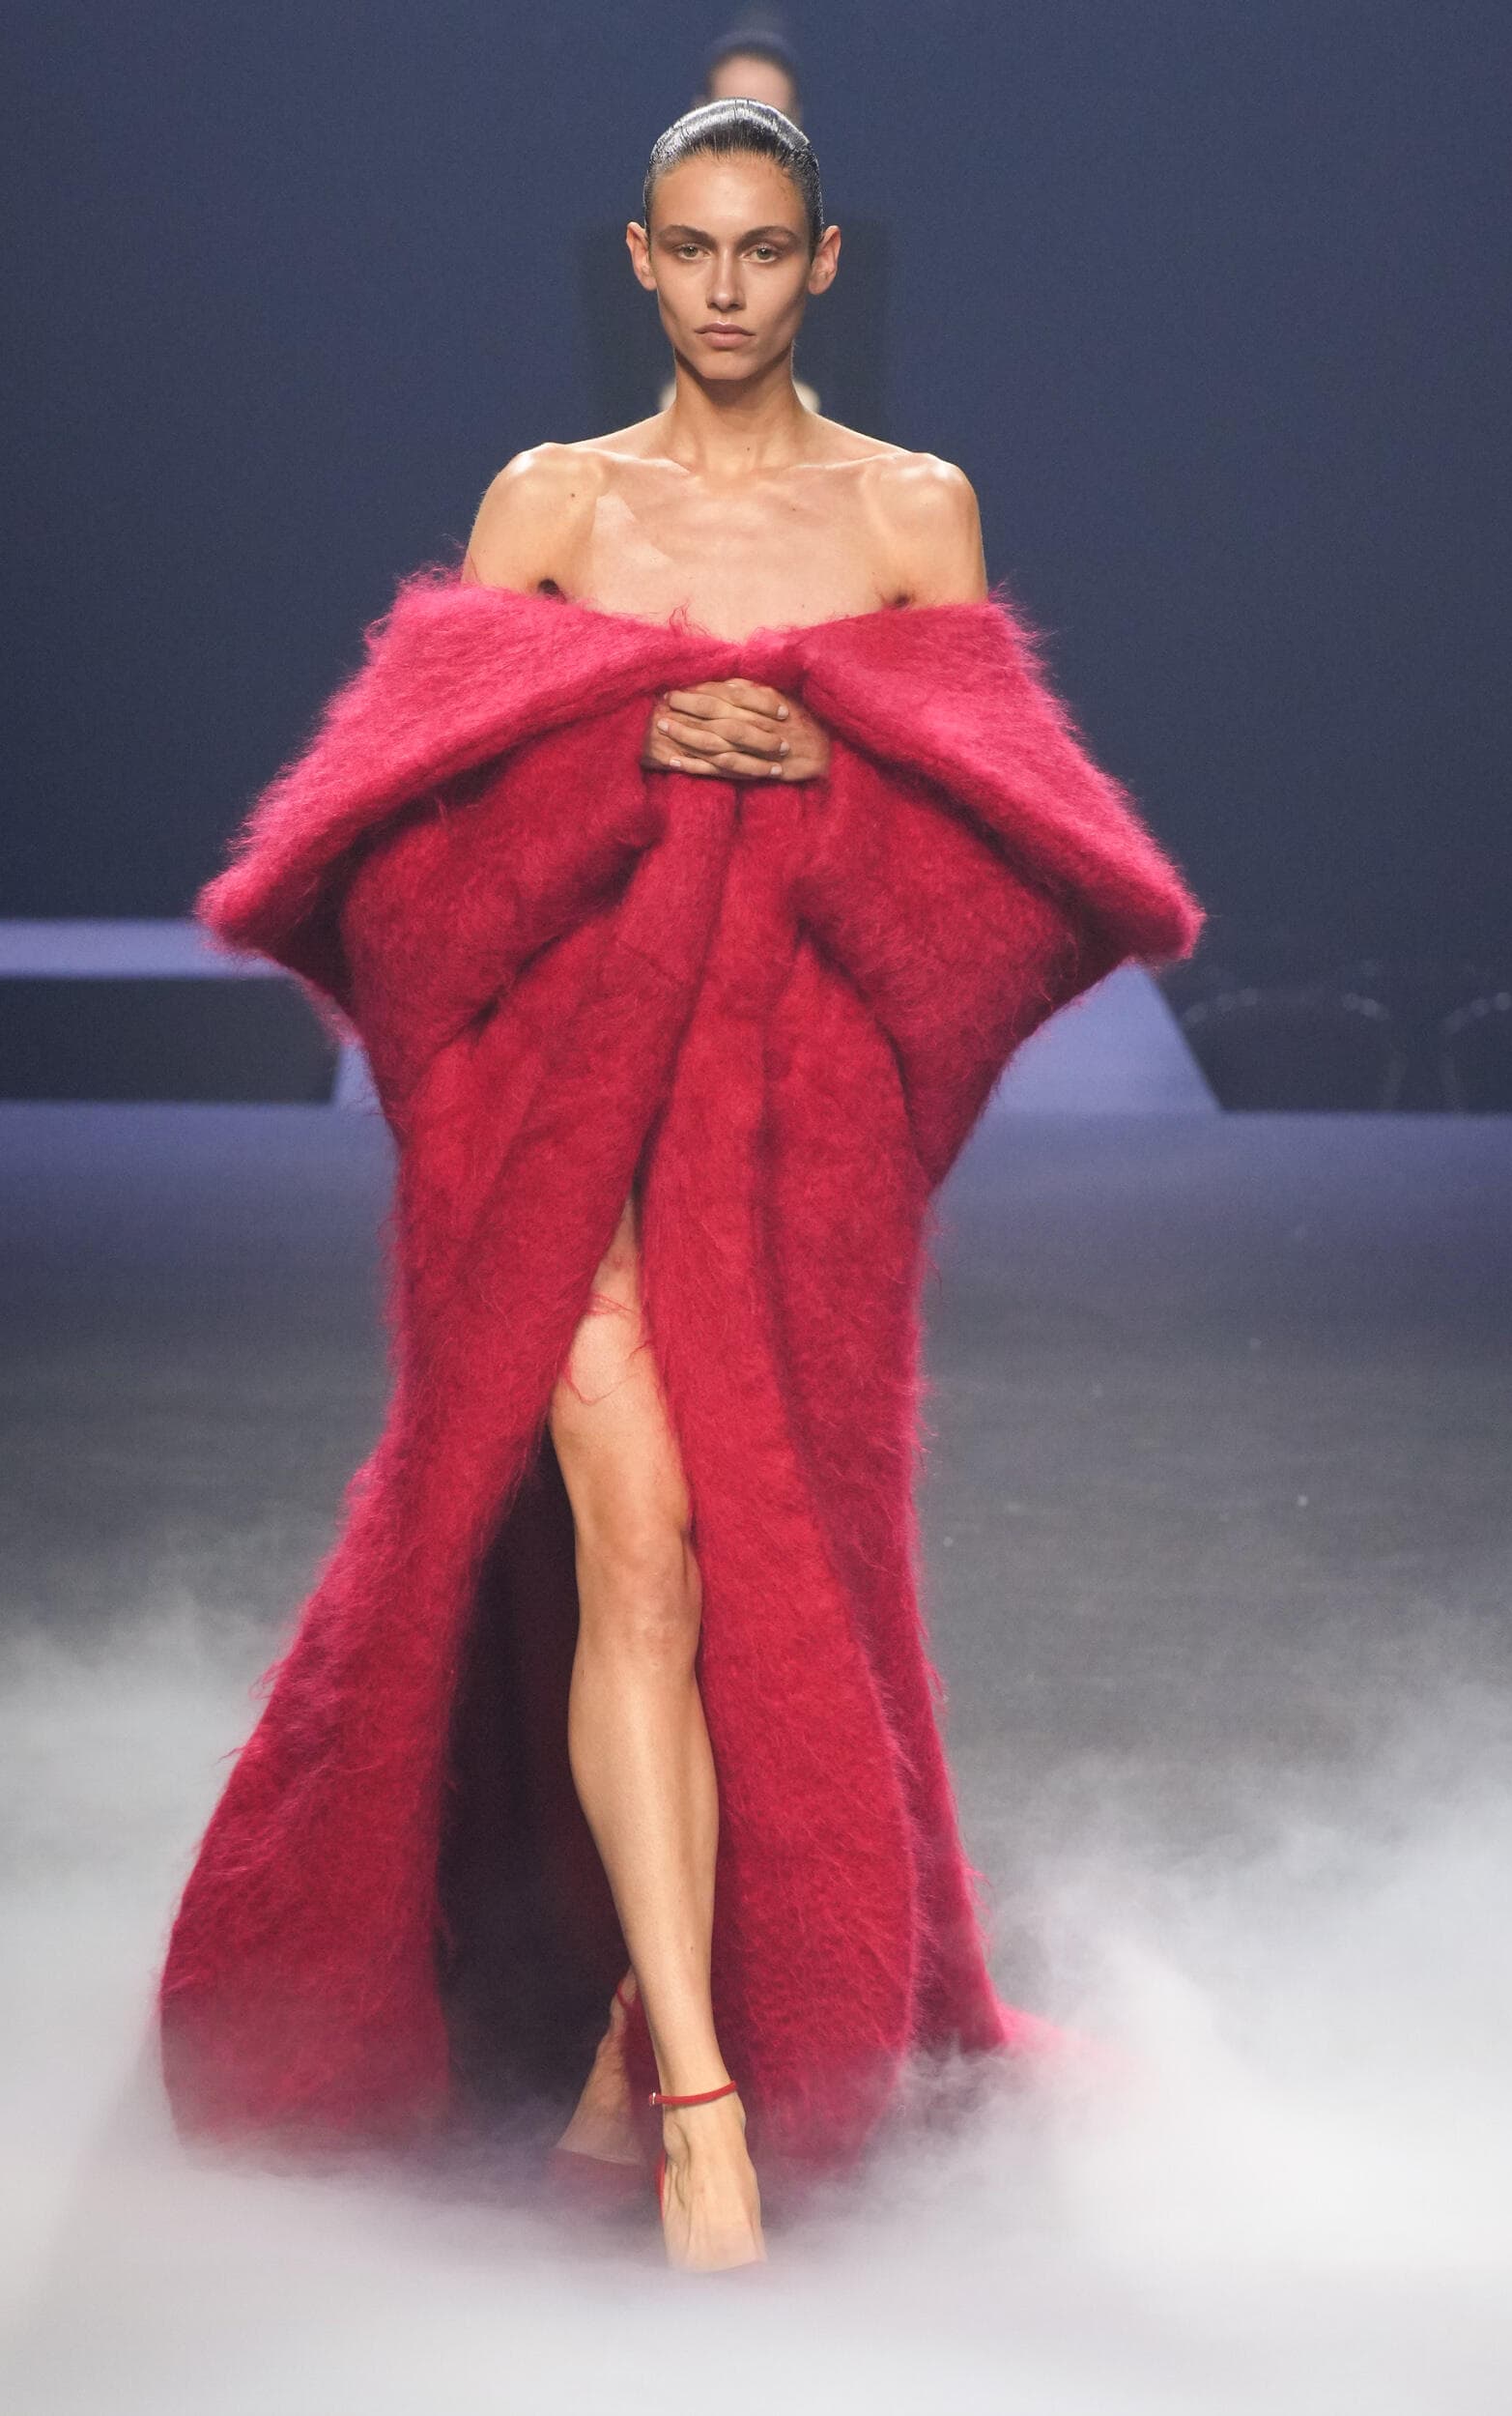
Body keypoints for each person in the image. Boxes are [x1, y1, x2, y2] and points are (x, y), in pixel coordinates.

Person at [460, 96, 994, 2276]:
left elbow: (987, 861)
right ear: (639, 256)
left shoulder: (914, 512)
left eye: (764, 250)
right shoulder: (551, 502)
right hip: (576, 1101)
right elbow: (427, 822)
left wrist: (839, 761)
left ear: (824, 262)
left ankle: (629, 2034)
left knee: (770, 1587)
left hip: (791, 1122)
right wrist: (625, 743)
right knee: (643, 1560)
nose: (726, 288)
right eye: (690, 249)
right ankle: (701, 2105)